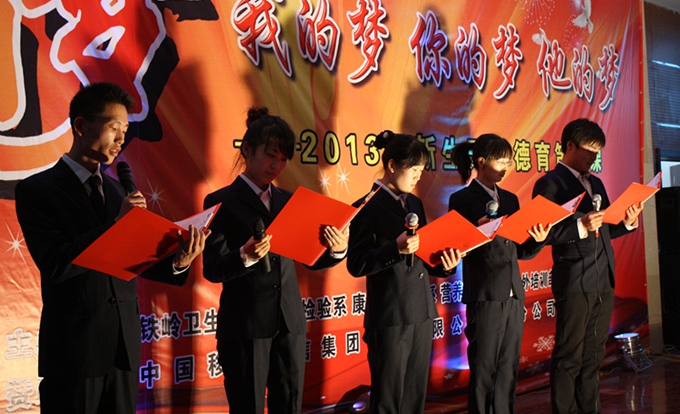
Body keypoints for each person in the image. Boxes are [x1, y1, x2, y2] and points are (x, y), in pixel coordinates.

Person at [14, 82, 208, 414]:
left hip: (123, 351)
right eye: (113, 127)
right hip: (74, 354)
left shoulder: (118, 192)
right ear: (80, 126)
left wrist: (179, 261)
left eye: (125, 131)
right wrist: (117, 225)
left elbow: (135, 259)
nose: (121, 139)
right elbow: (56, 263)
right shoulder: (37, 190)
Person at [202, 107, 348, 414]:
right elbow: (212, 268)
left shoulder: (289, 201)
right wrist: (244, 255)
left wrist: (337, 250)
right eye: (271, 155)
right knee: (248, 406)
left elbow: (310, 258)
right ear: (247, 150)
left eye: (283, 159)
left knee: (290, 404)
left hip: (289, 323)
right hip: (245, 326)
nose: (276, 165)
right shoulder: (221, 202)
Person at [531, 118, 643, 414]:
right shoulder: (550, 183)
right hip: (574, 279)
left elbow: (604, 228)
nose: (593, 157)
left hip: (602, 278)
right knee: (569, 355)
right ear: (569, 145)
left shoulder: (596, 183)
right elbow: (541, 233)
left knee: (593, 355)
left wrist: (627, 222)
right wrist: (580, 226)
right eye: (589, 150)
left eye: (597, 152)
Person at [347, 130, 461, 414]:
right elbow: (356, 263)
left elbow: (424, 253)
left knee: (414, 398)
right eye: (413, 169)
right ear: (392, 165)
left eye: (421, 170)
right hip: (389, 317)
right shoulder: (366, 207)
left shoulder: (414, 203)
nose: (418, 177)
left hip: (421, 312)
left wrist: (446, 263)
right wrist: (394, 249)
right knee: (388, 400)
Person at [448, 134, 551, 414]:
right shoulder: (461, 199)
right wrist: (477, 231)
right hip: (485, 294)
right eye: (501, 161)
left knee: (508, 366)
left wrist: (538, 239)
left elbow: (520, 250)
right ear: (481, 162)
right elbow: (456, 246)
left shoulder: (510, 199)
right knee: (484, 368)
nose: (506, 167)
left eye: (509, 161)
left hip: (514, 295)